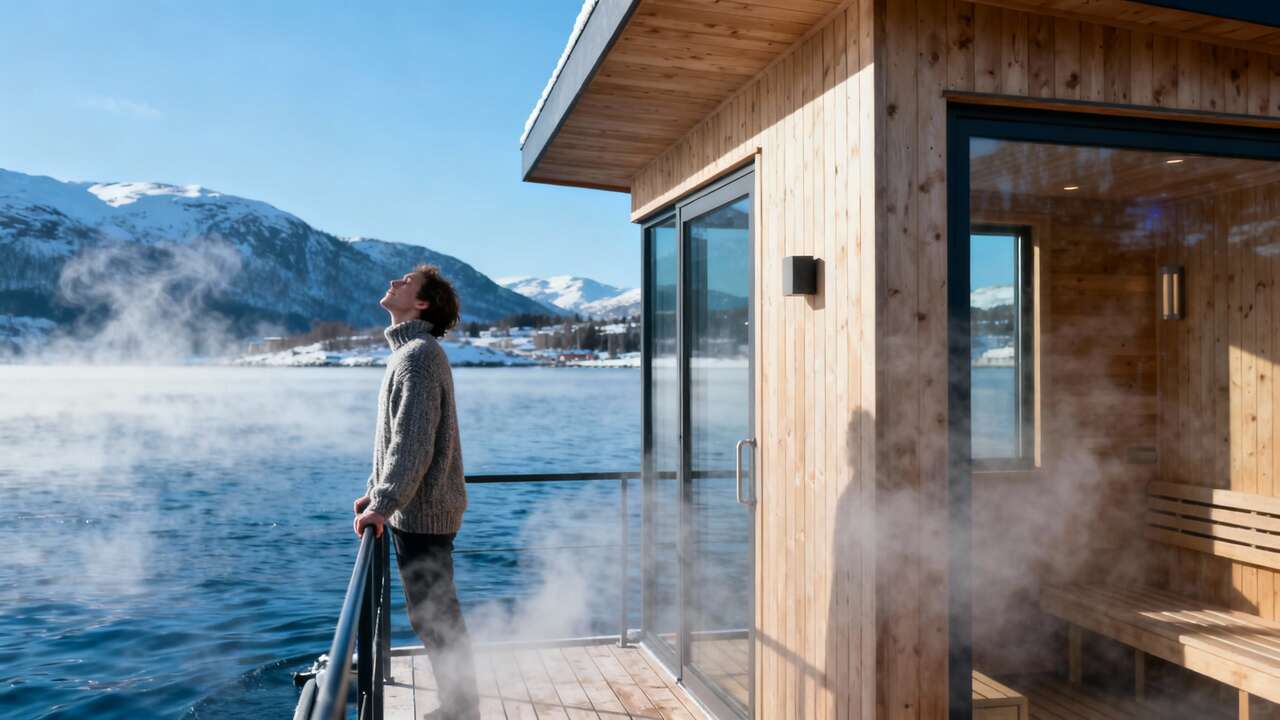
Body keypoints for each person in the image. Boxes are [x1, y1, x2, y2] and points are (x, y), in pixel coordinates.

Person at [353, 264, 479, 720]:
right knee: (433, 616)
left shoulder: (419, 356)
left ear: (421, 304)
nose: (392, 283)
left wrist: (385, 502)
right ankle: (460, 706)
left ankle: (463, 710)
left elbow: (414, 443)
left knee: (436, 618)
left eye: (405, 283)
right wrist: (376, 493)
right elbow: (395, 439)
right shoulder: (410, 354)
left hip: (423, 513)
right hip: (418, 510)